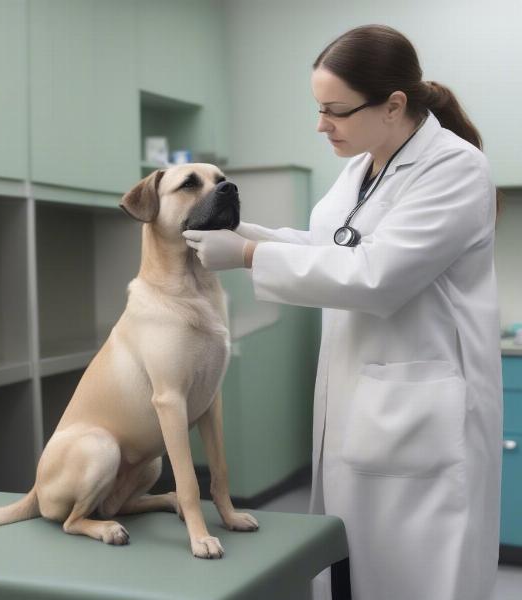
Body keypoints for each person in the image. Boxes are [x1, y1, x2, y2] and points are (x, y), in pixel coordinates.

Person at [182, 23, 503, 600]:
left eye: (335, 110)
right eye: (318, 108)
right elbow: (332, 249)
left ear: (393, 105)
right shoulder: (361, 167)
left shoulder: (455, 170)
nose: (321, 124)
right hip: (361, 407)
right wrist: (243, 233)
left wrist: (252, 256)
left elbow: (377, 275)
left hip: (420, 419)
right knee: (356, 572)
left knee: (421, 578)